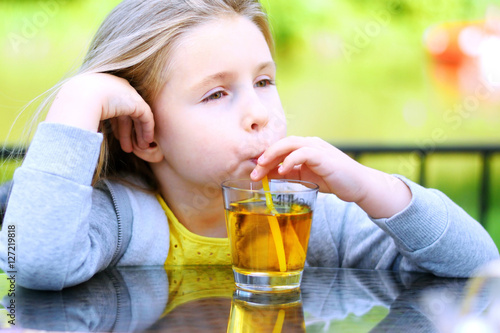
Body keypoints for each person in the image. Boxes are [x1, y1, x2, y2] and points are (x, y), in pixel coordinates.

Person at [0, 0, 498, 291]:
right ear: (143, 135)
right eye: (217, 93)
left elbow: (477, 265)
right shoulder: (118, 218)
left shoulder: (307, 219)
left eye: (264, 82)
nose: (260, 111)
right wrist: (79, 101)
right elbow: (32, 264)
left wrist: (369, 188)